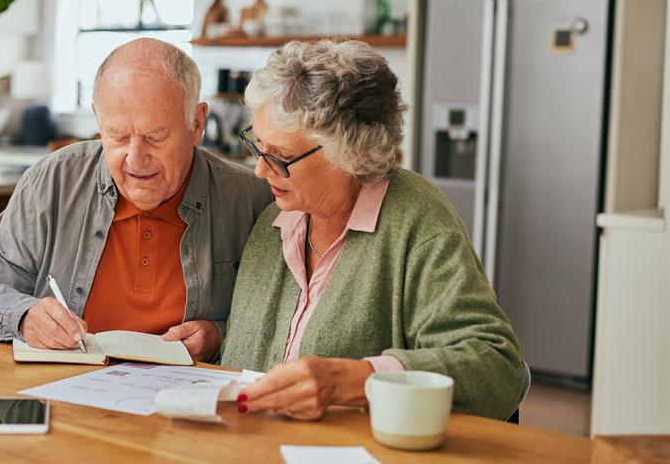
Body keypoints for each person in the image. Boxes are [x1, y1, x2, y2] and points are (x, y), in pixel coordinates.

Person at [221, 39, 526, 420]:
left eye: (281, 157)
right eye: (259, 146)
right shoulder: (275, 220)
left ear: (349, 153)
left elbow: (496, 366)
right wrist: (215, 335)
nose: (260, 171)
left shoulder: (418, 220)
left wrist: (358, 380)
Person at [0, 38, 272, 361]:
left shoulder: (252, 200)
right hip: (65, 387)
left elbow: (284, 328)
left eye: (156, 136)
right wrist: (24, 315)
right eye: (118, 136)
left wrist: (220, 333)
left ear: (197, 123)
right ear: (97, 120)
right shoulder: (54, 180)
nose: (135, 159)